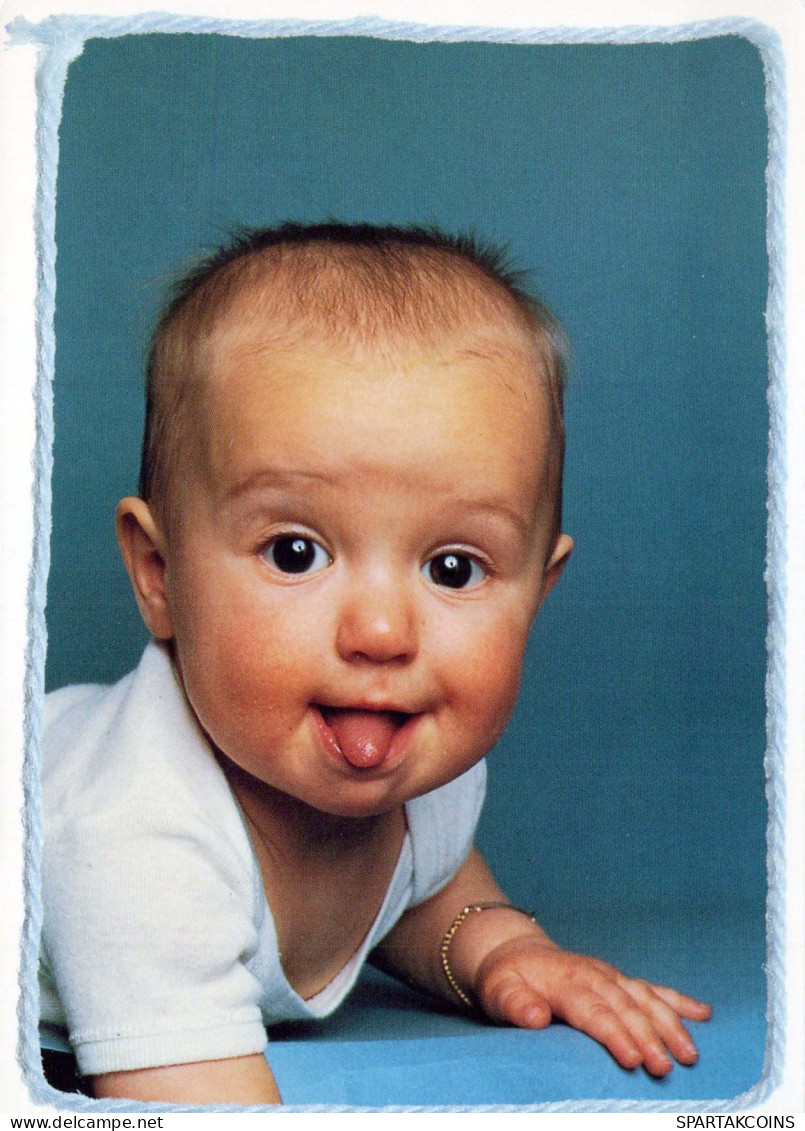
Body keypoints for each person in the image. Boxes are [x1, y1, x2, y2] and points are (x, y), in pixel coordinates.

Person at [39, 223, 711, 1104]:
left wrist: (505, 954)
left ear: (536, 594)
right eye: (293, 552)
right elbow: (190, 1099)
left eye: (452, 568)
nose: (384, 632)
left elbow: (417, 884)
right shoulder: (136, 843)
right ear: (160, 577)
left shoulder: (422, 766)